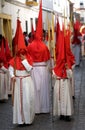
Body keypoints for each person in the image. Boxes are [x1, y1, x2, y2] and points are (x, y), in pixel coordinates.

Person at [8, 19, 35, 125]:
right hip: (18, 82)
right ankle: (20, 120)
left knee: (27, 101)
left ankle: (27, 120)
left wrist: (24, 60)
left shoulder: (28, 58)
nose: (21, 54)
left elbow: (29, 69)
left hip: (26, 82)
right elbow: (10, 69)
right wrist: (12, 75)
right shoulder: (14, 59)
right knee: (19, 102)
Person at [27, 0, 51, 114]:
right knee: (43, 89)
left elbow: (27, 58)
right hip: (43, 68)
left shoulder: (30, 46)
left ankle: (36, 109)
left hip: (33, 69)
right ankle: (43, 108)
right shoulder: (44, 47)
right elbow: (48, 59)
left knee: (35, 89)